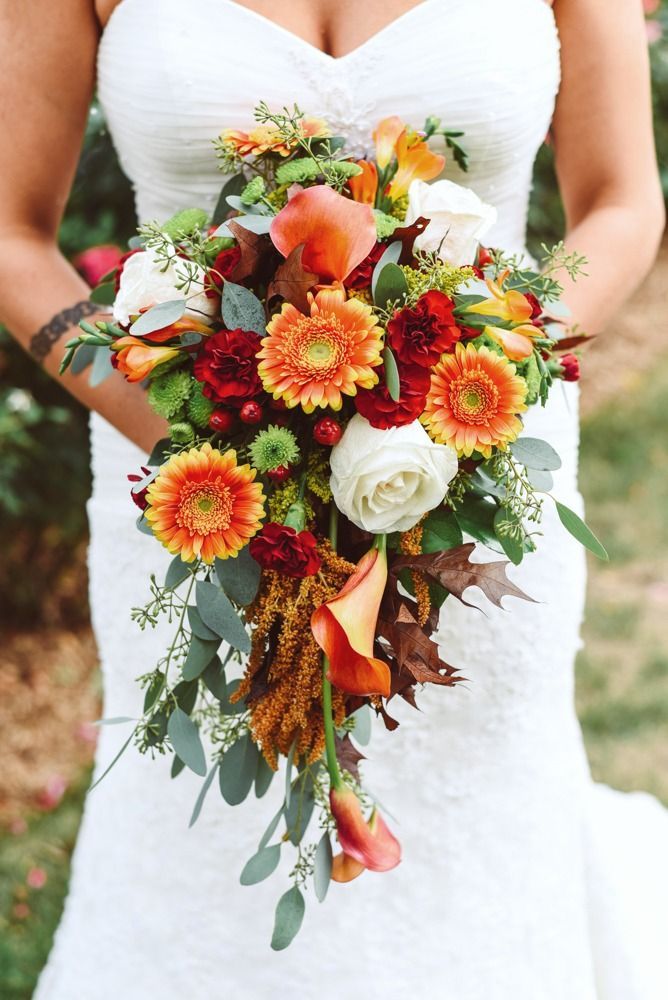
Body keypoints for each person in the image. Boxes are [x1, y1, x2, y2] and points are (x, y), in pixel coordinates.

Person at [1, 1, 666, 997]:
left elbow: (621, 200)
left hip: (468, 493)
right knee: (198, 838)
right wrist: (201, 454)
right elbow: (11, 230)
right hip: (190, 501)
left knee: (478, 834)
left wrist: (472, 398)